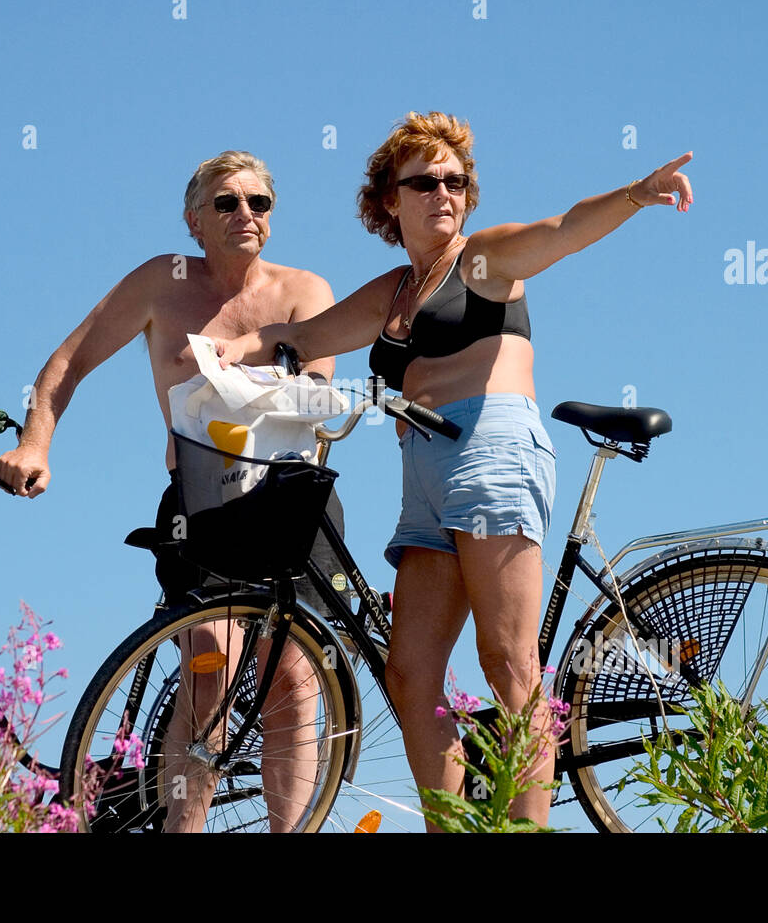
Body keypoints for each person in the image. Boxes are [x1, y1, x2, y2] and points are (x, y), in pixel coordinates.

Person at [214, 112, 693, 829]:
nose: (445, 192)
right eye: (426, 181)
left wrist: (635, 192)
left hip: (491, 448)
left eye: (457, 181)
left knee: (508, 665)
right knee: (409, 679)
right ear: (388, 199)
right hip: (423, 469)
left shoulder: (481, 260)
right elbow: (304, 335)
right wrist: (224, 354)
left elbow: (561, 231)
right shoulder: (395, 291)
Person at [0, 150, 341, 831]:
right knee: (210, 662)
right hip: (200, 500)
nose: (246, 213)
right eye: (226, 202)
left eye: (259, 203)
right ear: (194, 220)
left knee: (293, 682)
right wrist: (36, 443)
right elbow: (68, 361)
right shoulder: (163, 281)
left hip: (291, 498)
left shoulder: (305, 290)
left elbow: (319, 399)